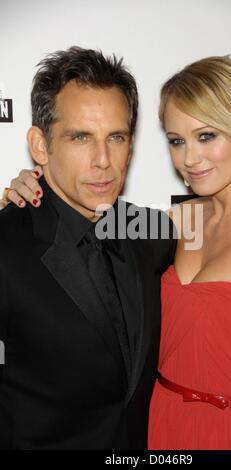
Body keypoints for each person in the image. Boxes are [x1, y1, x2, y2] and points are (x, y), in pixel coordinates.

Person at [2, 56, 231, 450]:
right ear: (41, 145)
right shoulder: (180, 223)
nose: (190, 159)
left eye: (207, 135)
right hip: (162, 435)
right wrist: (28, 190)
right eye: (177, 141)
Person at [0, 46, 176, 450]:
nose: (103, 161)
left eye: (116, 137)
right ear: (41, 146)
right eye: (81, 138)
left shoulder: (147, 231)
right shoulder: (6, 246)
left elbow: (221, 220)